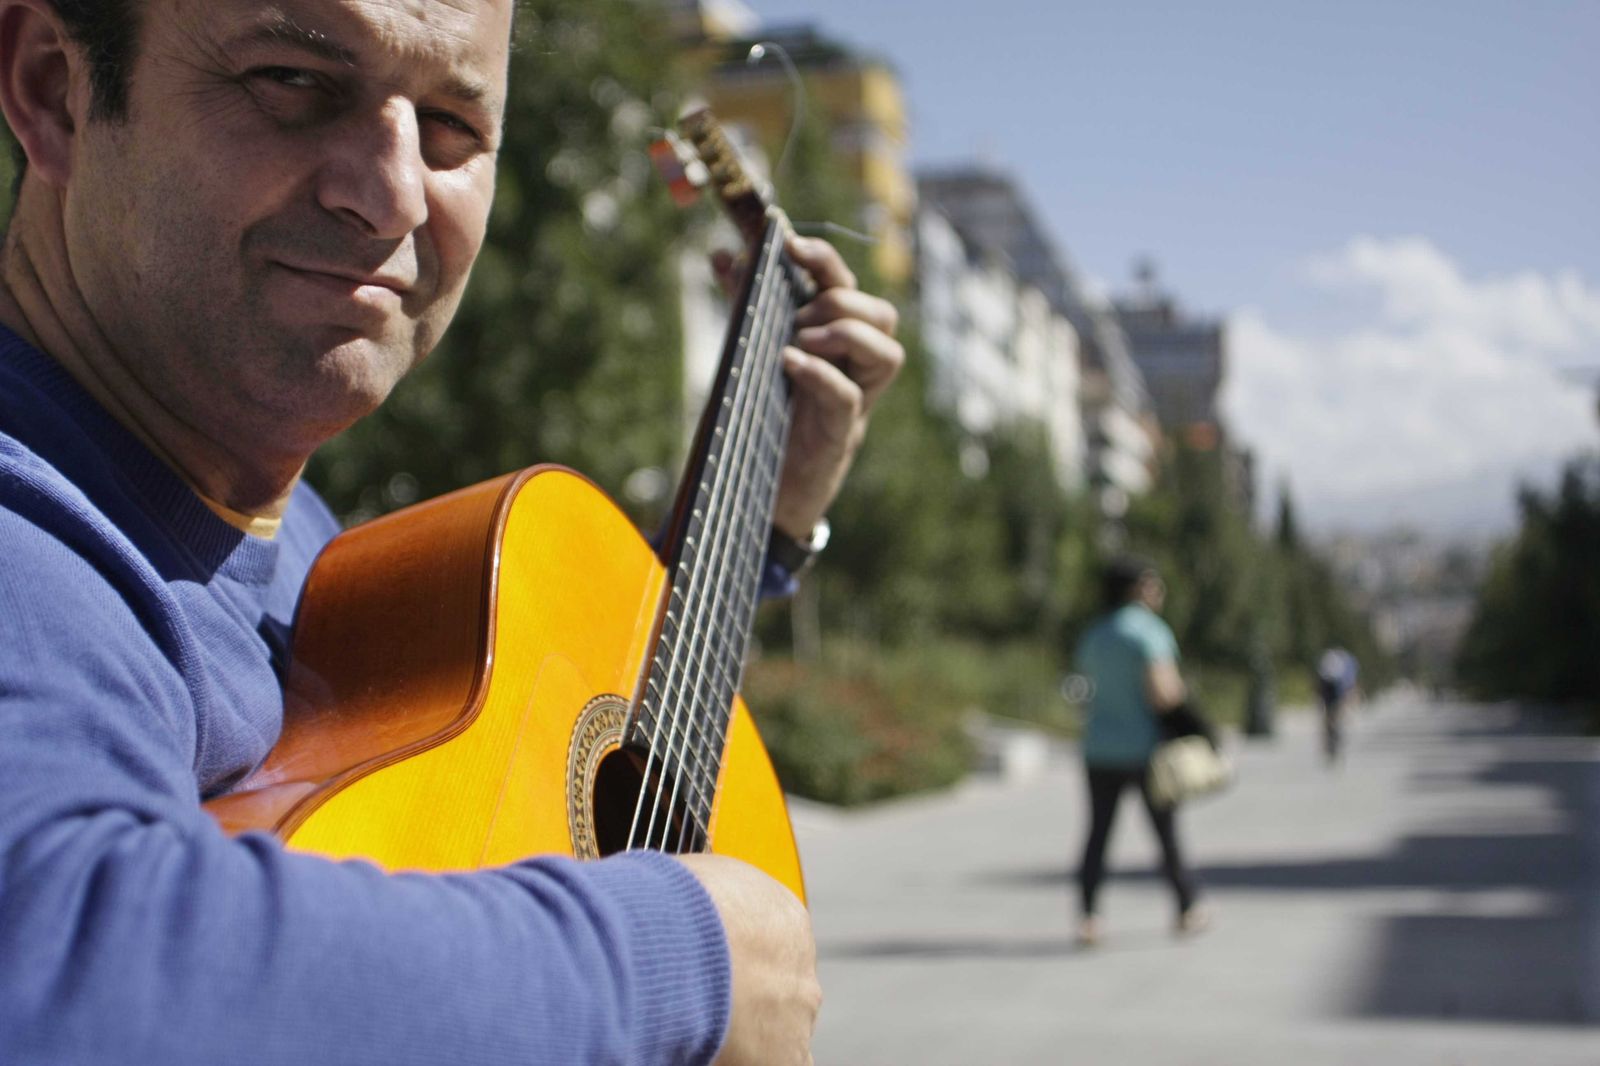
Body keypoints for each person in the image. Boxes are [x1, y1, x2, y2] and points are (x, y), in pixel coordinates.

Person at [0, 1, 903, 1062]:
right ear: (57, 89)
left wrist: (764, 523)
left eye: (451, 130)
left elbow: (482, 807)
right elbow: (57, 966)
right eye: (292, 82)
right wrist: (672, 958)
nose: (388, 195)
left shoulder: (298, 547)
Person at [1072, 557, 1205, 946]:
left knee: (1097, 834)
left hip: (1099, 748)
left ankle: (1089, 916)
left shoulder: (1094, 635)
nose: (1159, 591)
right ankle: (1186, 907)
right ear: (1137, 589)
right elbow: (1165, 693)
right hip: (1145, 750)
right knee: (1166, 834)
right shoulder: (1148, 633)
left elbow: (1083, 690)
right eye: (1153, 584)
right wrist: (1199, 728)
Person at [1315, 645, 1360, 765]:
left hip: (1334, 694)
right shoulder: (1338, 662)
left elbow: (1344, 687)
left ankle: (1335, 742)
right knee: (1330, 721)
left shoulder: (1337, 663)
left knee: (1334, 720)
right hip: (1331, 694)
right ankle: (1331, 743)